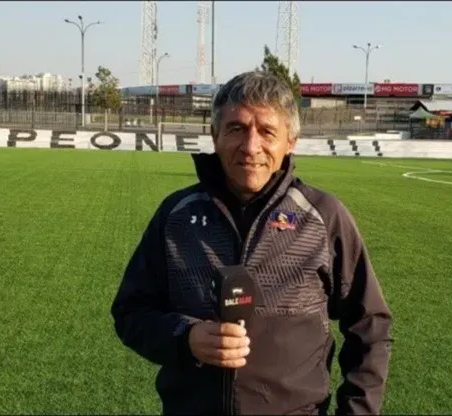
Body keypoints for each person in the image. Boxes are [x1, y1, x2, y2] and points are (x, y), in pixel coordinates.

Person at [111, 71, 393, 415]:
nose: (250, 147)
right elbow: (131, 312)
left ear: (291, 140)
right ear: (215, 135)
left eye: (267, 132)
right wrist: (184, 338)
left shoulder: (323, 217)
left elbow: (370, 326)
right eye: (236, 129)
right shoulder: (176, 216)